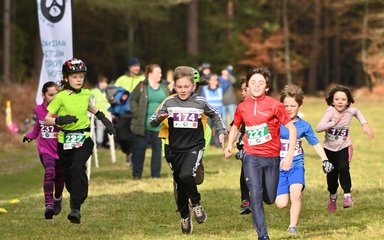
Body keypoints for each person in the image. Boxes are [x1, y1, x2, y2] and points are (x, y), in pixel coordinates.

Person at [150, 66, 226, 234]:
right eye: (179, 87)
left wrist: (221, 131)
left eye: (186, 87)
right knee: (180, 185)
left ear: (193, 86)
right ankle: (185, 216)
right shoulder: (169, 102)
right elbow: (152, 121)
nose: (183, 90)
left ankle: (197, 204)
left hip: (194, 146)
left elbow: (215, 114)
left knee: (186, 175)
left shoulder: (200, 102)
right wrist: (158, 118)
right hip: (174, 149)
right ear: (174, 87)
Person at [224, 67, 297, 240]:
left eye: (261, 82)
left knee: (270, 198)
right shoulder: (242, 107)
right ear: (247, 86)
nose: (256, 85)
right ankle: (262, 236)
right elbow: (235, 125)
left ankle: (266, 194)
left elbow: (292, 130)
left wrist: (288, 156)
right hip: (251, 157)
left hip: (271, 157)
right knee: (255, 195)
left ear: (266, 87)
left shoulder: (275, 106)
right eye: (253, 82)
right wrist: (229, 145)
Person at [44, 58, 116, 224]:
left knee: (78, 166)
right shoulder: (60, 97)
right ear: (66, 78)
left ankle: (76, 208)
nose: (78, 79)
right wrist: (60, 121)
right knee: (69, 175)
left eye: (81, 76)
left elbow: (90, 107)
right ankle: (74, 198)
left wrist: (104, 119)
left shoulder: (86, 94)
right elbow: (47, 119)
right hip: (65, 141)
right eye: (74, 76)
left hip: (83, 138)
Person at [275, 84, 334, 235]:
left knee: (296, 193)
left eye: (292, 105)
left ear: (299, 106)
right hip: (278, 167)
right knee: (281, 204)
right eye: (285, 105)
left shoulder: (304, 126)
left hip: (296, 164)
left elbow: (315, 143)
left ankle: (292, 226)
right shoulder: (275, 123)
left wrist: (325, 159)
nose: (289, 109)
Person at [315, 85, 374, 213]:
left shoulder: (350, 111)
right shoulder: (330, 111)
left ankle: (347, 195)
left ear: (348, 101)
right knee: (332, 176)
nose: (340, 102)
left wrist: (364, 124)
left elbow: (357, 112)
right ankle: (333, 196)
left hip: (344, 146)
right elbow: (318, 128)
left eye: (343, 99)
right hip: (329, 149)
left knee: (343, 168)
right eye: (337, 99)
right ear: (332, 101)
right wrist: (333, 123)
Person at [23, 81, 65, 220]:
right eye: (50, 95)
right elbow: (38, 127)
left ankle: (57, 199)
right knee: (49, 172)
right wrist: (30, 136)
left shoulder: (63, 110)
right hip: (45, 148)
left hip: (60, 149)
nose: (53, 97)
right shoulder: (39, 110)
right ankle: (49, 205)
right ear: (44, 95)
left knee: (60, 178)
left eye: (56, 95)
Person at [130, 64, 170, 179]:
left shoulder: (164, 87)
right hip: (143, 126)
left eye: (161, 73)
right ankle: (137, 176)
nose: (160, 75)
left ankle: (155, 176)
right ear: (150, 74)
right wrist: (137, 113)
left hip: (159, 126)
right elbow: (132, 99)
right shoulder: (142, 86)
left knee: (157, 152)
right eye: (158, 73)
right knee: (139, 152)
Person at [114, 56, 145, 166]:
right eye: (134, 66)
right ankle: (128, 152)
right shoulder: (121, 79)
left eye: (138, 65)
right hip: (124, 112)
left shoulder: (144, 78)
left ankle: (134, 158)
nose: (137, 68)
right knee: (121, 136)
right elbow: (113, 94)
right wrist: (120, 96)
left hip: (138, 112)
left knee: (136, 137)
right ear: (129, 67)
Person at [233, 77, 251, 214]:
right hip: (243, 143)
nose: (243, 93)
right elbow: (236, 123)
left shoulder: (264, 105)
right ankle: (245, 200)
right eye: (242, 90)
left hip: (260, 144)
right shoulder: (241, 105)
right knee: (245, 171)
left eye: (245, 90)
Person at [201, 74, 224, 147]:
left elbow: (227, 82)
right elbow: (202, 100)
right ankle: (209, 143)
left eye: (216, 80)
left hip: (218, 112)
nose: (215, 81)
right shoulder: (204, 89)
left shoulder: (220, 88)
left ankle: (218, 144)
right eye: (213, 79)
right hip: (208, 113)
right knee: (208, 129)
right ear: (209, 81)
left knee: (218, 129)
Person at [91, 75, 110, 148]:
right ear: (101, 83)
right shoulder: (93, 92)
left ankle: (109, 142)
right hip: (98, 115)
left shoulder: (106, 92)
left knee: (108, 128)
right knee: (100, 128)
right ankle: (99, 143)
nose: (106, 84)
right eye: (105, 82)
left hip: (107, 114)